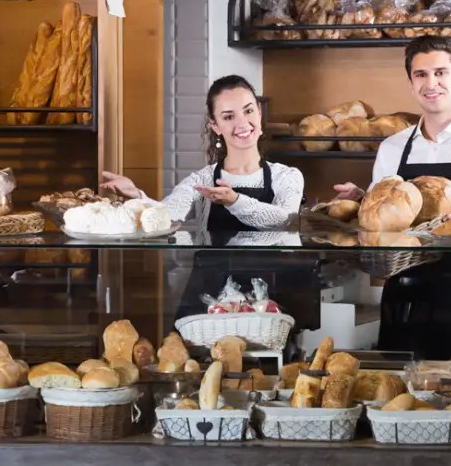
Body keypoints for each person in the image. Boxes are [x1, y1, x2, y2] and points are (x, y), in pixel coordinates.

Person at [333, 35, 451, 359]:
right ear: (410, 83)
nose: (431, 83)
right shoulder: (392, 148)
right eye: (421, 75)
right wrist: (361, 203)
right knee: (399, 397)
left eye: (440, 72)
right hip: (404, 296)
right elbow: (388, 227)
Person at [100, 75, 305, 320]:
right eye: (228, 117)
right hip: (211, 295)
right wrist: (138, 196)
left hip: (268, 297)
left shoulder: (287, 177)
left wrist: (234, 201)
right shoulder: (203, 179)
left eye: (248, 110)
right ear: (215, 126)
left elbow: (284, 220)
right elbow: (169, 214)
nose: (242, 123)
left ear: (259, 113)